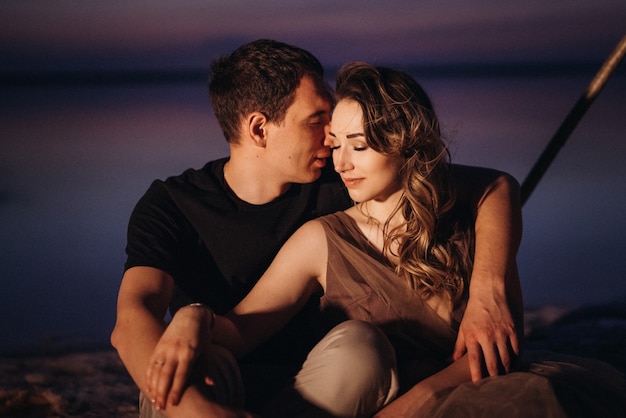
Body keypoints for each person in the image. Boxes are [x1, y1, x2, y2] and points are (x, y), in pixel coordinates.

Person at [146, 62, 626, 418]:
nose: (341, 163)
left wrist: (425, 395)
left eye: (360, 145)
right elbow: (243, 329)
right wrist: (193, 317)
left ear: (403, 141)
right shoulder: (322, 238)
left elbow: (503, 346)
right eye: (336, 144)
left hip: (457, 399)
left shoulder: (469, 224)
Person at [111, 40, 524, 417]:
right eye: (317, 121)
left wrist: (488, 290)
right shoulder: (173, 205)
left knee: (363, 346)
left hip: (321, 383)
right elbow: (133, 318)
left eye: (348, 137)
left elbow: (494, 186)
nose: (332, 141)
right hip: (215, 377)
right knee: (193, 361)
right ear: (258, 128)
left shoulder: (344, 178)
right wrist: (198, 407)